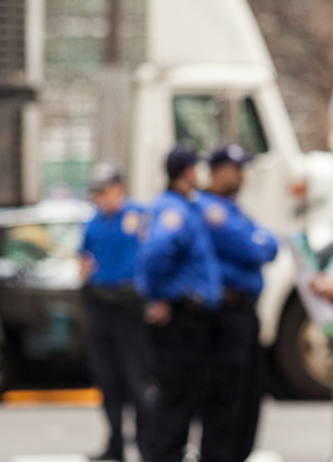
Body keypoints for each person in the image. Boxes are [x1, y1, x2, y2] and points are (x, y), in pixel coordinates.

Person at [135, 144, 223, 462]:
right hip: (181, 321)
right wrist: (160, 296)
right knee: (176, 398)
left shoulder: (179, 206)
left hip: (186, 318)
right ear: (187, 173)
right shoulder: (174, 211)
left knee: (181, 396)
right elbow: (155, 255)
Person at [195, 144, 278, 462]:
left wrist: (258, 241)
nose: (242, 176)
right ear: (218, 171)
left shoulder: (233, 210)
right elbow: (254, 248)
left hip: (244, 311)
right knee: (226, 398)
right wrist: (256, 241)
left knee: (248, 396)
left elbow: (270, 243)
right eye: (236, 169)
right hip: (224, 315)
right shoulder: (208, 209)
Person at [79, 162, 152, 462]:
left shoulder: (139, 216)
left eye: (105, 190)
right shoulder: (93, 223)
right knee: (107, 380)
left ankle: (148, 445)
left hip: (130, 305)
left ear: (120, 187)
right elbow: (84, 259)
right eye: (97, 191)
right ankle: (115, 443)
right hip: (100, 304)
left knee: (136, 379)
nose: (101, 197)